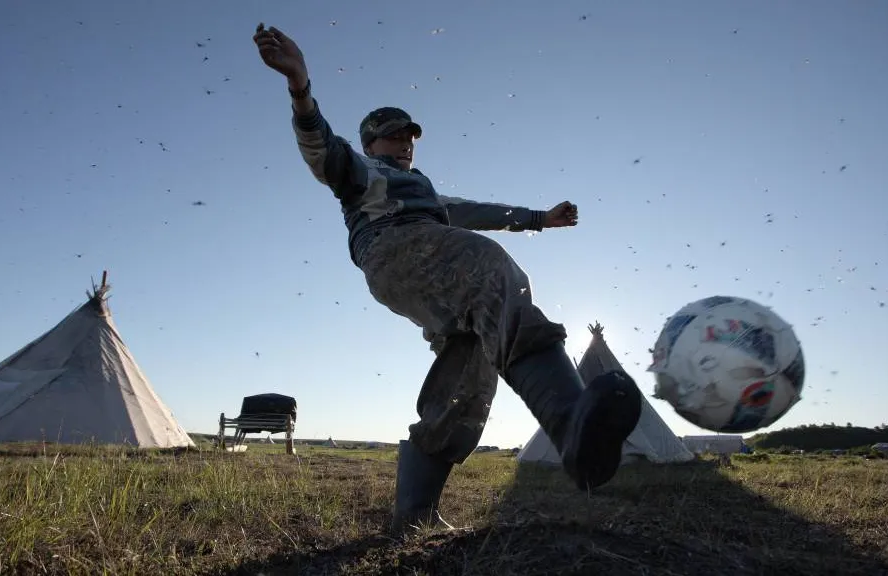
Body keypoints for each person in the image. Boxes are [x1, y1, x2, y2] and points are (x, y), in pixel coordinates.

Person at [252, 23, 643, 534]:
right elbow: (323, 150)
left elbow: (475, 209)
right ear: (372, 140)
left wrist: (539, 218)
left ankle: (415, 516)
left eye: (411, 135)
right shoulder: (363, 171)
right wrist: (300, 85)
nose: (406, 142)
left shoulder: (428, 194)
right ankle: (569, 423)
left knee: (470, 377)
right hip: (396, 251)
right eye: (395, 134)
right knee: (488, 266)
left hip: (430, 258)